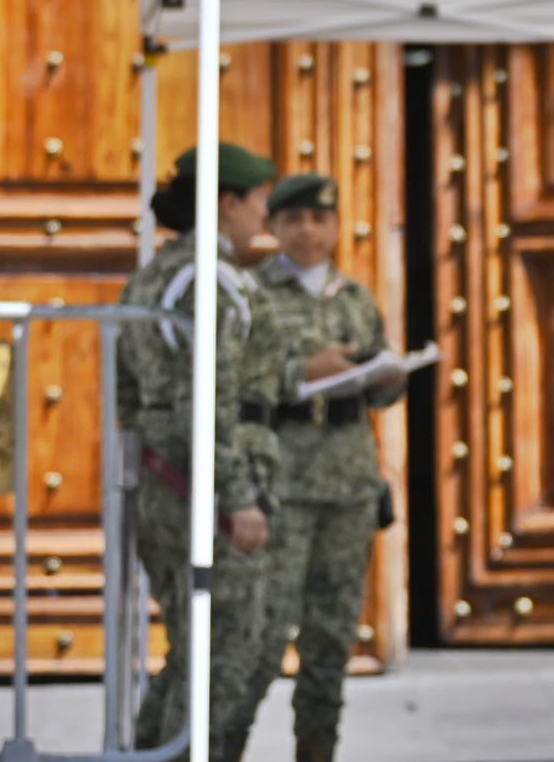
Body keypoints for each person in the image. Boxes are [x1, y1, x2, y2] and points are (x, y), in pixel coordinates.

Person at [118, 141, 285, 762]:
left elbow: (133, 395)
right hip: (203, 487)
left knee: (196, 650)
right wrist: (237, 496)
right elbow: (206, 399)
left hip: (172, 479)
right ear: (226, 202)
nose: (263, 217)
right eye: (259, 202)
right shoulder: (204, 279)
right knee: (227, 654)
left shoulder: (159, 271)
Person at [241, 173, 406, 762]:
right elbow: (236, 380)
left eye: (318, 219)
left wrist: (388, 379)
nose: (307, 231)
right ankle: (221, 747)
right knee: (260, 639)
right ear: (275, 227)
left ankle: (316, 752)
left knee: (331, 640)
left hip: (349, 486)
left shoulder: (356, 298)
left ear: (336, 227)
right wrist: (300, 373)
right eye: (294, 220)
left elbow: (381, 395)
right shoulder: (252, 293)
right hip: (283, 483)